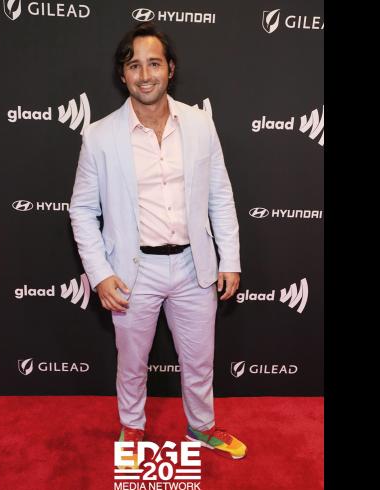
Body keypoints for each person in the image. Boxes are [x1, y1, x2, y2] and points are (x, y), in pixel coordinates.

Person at [69, 22, 247, 464]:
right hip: (133, 272)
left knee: (200, 359)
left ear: (170, 68)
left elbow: (220, 194)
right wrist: (100, 274)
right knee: (132, 362)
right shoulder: (99, 135)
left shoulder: (200, 124)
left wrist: (230, 259)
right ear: (122, 74)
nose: (145, 75)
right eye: (134, 65)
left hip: (193, 267)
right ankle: (132, 426)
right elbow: (82, 210)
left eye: (154, 64)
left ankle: (202, 427)